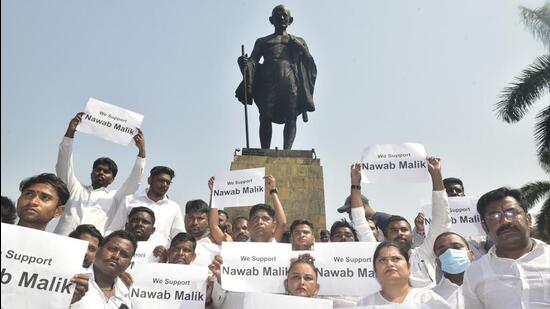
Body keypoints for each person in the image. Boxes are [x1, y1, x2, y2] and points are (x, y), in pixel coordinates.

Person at [236, 5, 316, 150]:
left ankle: (287, 151)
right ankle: (265, 151)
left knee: (291, 117)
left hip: (290, 82)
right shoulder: (263, 41)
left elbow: (309, 63)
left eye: (284, 15)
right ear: (271, 20)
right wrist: (244, 64)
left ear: (290, 20)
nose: (281, 18)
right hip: (267, 83)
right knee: (264, 117)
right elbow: (253, 61)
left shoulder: (298, 41)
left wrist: (301, 48)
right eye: (277, 15)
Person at [54, 112, 146, 235]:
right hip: (62, 243)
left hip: (93, 249)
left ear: (112, 179)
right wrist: (70, 133)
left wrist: (142, 151)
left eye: (106, 172)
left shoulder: (116, 197)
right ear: (92, 172)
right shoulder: (75, 189)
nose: (100, 173)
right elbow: (64, 164)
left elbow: (134, 181)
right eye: (97, 169)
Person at [462, 187, 550, 308]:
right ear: (485, 227)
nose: (504, 221)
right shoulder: (475, 273)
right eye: (494, 217)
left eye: (512, 213)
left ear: (528, 219)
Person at [16, 173, 89, 305]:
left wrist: (64, 299)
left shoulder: (65, 260)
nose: (33, 201)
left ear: (58, 211)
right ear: (18, 200)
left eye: (45, 198)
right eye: (29, 194)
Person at [382, 157, 451, 288]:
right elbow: (361, 226)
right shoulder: (379, 260)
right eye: (393, 230)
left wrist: (436, 174)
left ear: (412, 235)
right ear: (385, 236)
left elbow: (441, 220)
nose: (399, 233)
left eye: (404, 230)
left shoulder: (424, 253)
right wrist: (355, 185)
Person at [107, 166, 185, 247]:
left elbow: (179, 236)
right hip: (128, 253)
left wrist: (167, 252)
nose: (164, 185)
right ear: (150, 180)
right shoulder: (129, 200)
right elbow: (114, 228)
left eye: (168, 182)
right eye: (161, 181)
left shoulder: (173, 207)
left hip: (157, 257)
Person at [358, 241, 450, 308]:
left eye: (396, 259)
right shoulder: (364, 305)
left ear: (409, 267)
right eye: (382, 260)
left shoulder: (429, 300)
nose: (390, 264)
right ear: (375, 271)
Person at [71, 230, 137, 309]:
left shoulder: (127, 296)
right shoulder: (73, 278)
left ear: (128, 264)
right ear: (98, 249)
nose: (116, 256)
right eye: (112, 249)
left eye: (124, 254)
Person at [432, 232, 475, 308]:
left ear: (471, 255)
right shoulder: (430, 297)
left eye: (457, 247)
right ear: (438, 262)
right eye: (443, 251)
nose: (450, 253)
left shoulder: (491, 285)